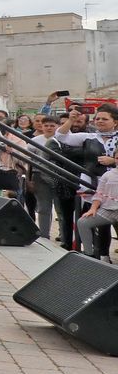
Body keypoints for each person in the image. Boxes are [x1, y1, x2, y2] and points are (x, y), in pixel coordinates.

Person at [54, 103, 118, 258]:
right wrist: (71, 119)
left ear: (115, 122)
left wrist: (113, 161)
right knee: (97, 220)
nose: (100, 121)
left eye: (105, 119)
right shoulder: (89, 137)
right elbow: (62, 137)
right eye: (98, 118)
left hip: (114, 185)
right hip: (94, 184)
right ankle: (100, 255)